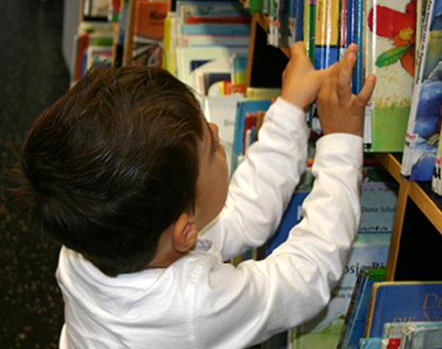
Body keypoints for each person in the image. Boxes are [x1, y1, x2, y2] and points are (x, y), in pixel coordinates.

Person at [13, 41, 375, 348]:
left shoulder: (90, 238)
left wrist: (290, 108)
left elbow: (245, 215)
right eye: (212, 146)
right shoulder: (194, 305)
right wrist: (341, 144)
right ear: (186, 232)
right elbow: (305, 277)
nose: (217, 129)